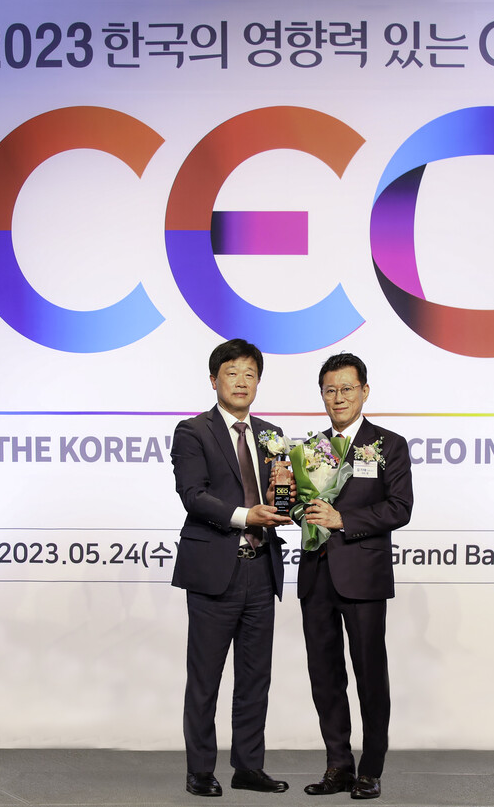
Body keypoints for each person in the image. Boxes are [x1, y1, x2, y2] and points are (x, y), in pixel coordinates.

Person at [171, 338, 294, 798]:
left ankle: (248, 767)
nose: (241, 381)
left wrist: (291, 502)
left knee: (255, 677)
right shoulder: (193, 431)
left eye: (250, 374)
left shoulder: (272, 435)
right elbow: (193, 495)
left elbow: (283, 495)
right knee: (205, 677)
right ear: (214, 380)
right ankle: (201, 770)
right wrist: (246, 516)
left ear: (258, 382)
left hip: (261, 569)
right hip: (214, 571)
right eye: (232, 372)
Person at [298, 353, 413, 800]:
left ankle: (371, 769)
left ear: (364, 391)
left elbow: (399, 508)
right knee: (325, 677)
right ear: (321, 395)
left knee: (369, 674)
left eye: (347, 388)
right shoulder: (310, 449)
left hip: (363, 577)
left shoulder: (388, 444)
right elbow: (303, 507)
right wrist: (287, 501)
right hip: (316, 576)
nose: (339, 397)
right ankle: (338, 765)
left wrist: (342, 519)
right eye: (330, 390)